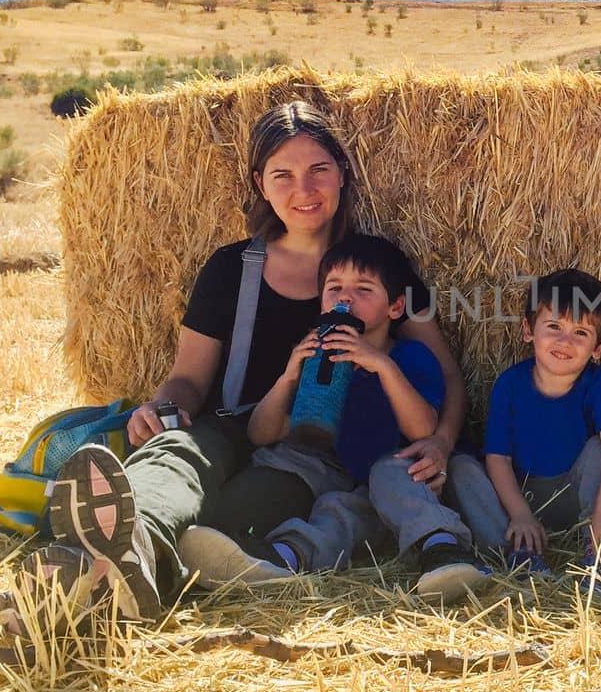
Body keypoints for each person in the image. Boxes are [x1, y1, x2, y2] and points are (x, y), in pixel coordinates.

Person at [0, 100, 468, 635]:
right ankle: (113, 547)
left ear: (342, 176)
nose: (303, 190)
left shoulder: (380, 267)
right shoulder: (229, 270)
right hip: (232, 425)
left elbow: (445, 373)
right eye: (282, 175)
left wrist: (443, 441)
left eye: (319, 170)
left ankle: (112, 580)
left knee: (234, 521)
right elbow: (189, 379)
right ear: (260, 185)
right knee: (176, 455)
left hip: (313, 453)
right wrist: (162, 406)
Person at [177, 233, 481, 595]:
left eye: (364, 289)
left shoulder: (409, 357)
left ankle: (443, 550)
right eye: (334, 288)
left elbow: (422, 428)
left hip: (392, 473)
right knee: (335, 512)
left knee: (388, 476)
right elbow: (262, 433)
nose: (346, 298)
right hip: (336, 475)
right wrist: (289, 376)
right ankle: (280, 559)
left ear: (396, 308)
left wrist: (381, 366)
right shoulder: (316, 358)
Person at [446, 268, 601, 591]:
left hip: (576, 500)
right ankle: (518, 555)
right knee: (460, 467)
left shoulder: (596, 383)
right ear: (528, 330)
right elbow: (498, 458)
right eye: (553, 326)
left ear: (598, 348)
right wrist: (520, 514)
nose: (564, 341)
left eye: (581, 333)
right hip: (518, 500)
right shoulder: (510, 384)